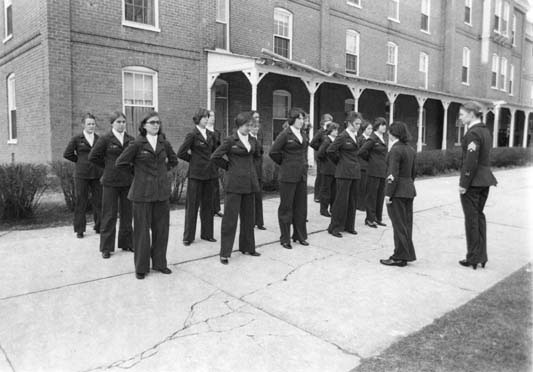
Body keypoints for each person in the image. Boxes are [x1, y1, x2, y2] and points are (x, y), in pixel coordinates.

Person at [115, 111, 178, 279]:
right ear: (144, 125)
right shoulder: (136, 144)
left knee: (161, 231)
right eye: (152, 122)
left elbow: (174, 161)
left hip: (161, 194)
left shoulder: (164, 143)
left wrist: (162, 174)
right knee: (142, 232)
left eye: (158, 122)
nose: (156, 125)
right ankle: (141, 268)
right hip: (141, 194)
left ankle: (159, 263)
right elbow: (120, 163)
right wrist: (138, 176)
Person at [211, 112, 262, 265]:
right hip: (234, 184)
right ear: (239, 125)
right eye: (247, 125)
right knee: (230, 220)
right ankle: (225, 253)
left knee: (248, 218)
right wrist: (230, 167)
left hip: (249, 184)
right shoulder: (230, 140)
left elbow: (258, 154)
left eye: (251, 125)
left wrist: (252, 170)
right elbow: (215, 157)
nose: (249, 128)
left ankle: (247, 247)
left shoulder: (253, 140)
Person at [88, 111, 135, 259]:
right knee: (109, 215)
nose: (121, 124)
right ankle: (106, 247)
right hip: (110, 182)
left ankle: (127, 242)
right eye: (118, 122)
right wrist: (108, 167)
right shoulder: (105, 139)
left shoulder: (131, 139)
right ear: (112, 123)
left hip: (127, 181)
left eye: (123, 122)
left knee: (127, 214)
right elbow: (93, 157)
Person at [458, 101, 498, 270]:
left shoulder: (473, 134)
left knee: (471, 219)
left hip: (473, 182)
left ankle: (473, 257)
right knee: (479, 216)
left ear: (472, 114)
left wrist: (463, 183)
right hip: (485, 180)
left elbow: (471, 161)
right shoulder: (485, 131)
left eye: (462, 114)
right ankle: (481, 256)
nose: (460, 118)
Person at [269, 107, 309, 249]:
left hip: (301, 176)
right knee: (286, 207)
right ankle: (285, 238)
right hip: (287, 176)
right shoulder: (285, 134)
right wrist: (285, 163)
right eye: (298, 118)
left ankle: (299, 235)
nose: (301, 121)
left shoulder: (303, 134)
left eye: (302, 118)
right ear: (292, 119)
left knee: (301, 207)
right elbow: (273, 152)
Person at [177, 108, 218, 246]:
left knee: (208, 205)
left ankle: (207, 234)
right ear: (197, 119)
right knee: (192, 206)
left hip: (210, 175)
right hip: (196, 175)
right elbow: (181, 152)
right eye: (204, 117)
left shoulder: (211, 135)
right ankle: (188, 237)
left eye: (207, 117)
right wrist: (194, 161)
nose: (206, 119)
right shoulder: (192, 134)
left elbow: (215, 152)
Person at [380, 122, 417, 267]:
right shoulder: (410, 149)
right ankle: (406, 254)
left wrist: (388, 193)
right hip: (408, 189)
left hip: (397, 191)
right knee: (406, 224)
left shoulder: (395, 150)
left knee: (398, 224)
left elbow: (392, 174)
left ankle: (399, 256)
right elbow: (413, 173)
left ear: (392, 133)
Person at [63, 113, 103, 239]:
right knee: (81, 201)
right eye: (89, 124)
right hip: (82, 175)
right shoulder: (77, 139)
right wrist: (80, 161)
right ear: (83, 125)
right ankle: (80, 229)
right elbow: (67, 154)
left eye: (93, 124)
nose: (91, 126)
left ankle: (99, 226)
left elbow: (102, 155)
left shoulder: (99, 139)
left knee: (98, 201)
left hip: (96, 174)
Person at [326, 112, 362, 238]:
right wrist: (340, 163)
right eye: (356, 124)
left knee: (352, 200)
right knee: (341, 201)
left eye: (359, 124)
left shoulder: (356, 136)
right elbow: (330, 151)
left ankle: (349, 226)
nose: (358, 126)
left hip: (355, 172)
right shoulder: (342, 136)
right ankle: (335, 227)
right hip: (344, 173)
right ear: (350, 123)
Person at [359, 117, 388, 228]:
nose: (384, 127)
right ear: (377, 126)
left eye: (385, 124)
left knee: (380, 195)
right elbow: (361, 151)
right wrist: (371, 160)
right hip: (373, 171)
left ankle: (378, 218)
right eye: (382, 125)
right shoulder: (372, 138)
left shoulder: (382, 138)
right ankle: (370, 219)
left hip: (382, 171)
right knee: (372, 195)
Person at [317, 122, 339, 217]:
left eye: (337, 130)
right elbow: (320, 154)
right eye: (334, 130)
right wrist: (326, 162)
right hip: (327, 169)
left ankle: (333, 208)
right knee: (326, 190)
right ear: (330, 131)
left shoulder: (336, 140)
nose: (336, 132)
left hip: (335, 169)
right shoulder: (327, 141)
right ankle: (324, 209)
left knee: (334, 190)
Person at [310, 113, 333, 202]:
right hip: (321, 157)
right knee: (319, 176)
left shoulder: (330, 131)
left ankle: (324, 194)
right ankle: (317, 196)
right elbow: (312, 143)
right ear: (323, 122)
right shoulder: (320, 132)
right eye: (327, 121)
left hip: (328, 157)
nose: (329, 123)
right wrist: (320, 149)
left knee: (325, 177)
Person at [250, 111, 266, 230]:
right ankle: (250, 221)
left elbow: (261, 152)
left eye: (258, 118)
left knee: (258, 197)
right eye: (255, 118)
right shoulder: (247, 138)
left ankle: (259, 222)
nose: (257, 120)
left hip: (259, 170)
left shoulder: (259, 136)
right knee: (250, 198)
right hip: (250, 171)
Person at [207, 110, 224, 218]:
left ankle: (217, 208)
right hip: (206, 162)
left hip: (215, 162)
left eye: (214, 116)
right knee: (207, 186)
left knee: (215, 185)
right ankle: (208, 208)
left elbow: (219, 147)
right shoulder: (204, 132)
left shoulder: (217, 132)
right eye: (210, 116)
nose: (213, 118)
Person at [357, 121, 373, 212]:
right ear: (364, 129)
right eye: (368, 129)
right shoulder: (362, 139)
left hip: (367, 165)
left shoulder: (369, 139)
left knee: (366, 186)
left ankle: (363, 204)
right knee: (362, 186)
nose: (370, 130)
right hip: (363, 165)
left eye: (371, 128)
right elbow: (363, 152)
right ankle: (360, 205)